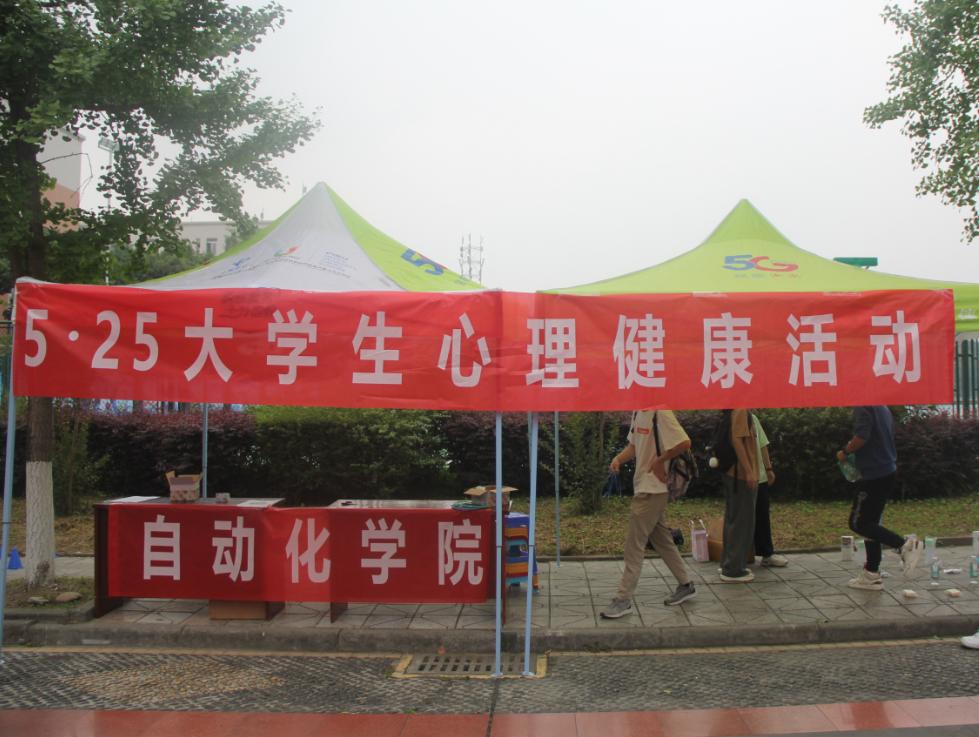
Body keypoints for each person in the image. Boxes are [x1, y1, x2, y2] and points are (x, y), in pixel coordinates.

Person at [600, 409, 696, 618]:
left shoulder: (660, 412)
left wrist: (660, 461)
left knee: (634, 545)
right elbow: (634, 446)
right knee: (663, 541)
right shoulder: (638, 412)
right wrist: (618, 459)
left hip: (653, 489)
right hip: (645, 486)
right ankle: (686, 584)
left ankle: (623, 599)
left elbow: (684, 442)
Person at [837, 405, 923, 590]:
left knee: (858, 523)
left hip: (873, 474)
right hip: (886, 470)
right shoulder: (882, 406)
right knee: (872, 524)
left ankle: (905, 546)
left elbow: (862, 437)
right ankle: (871, 574)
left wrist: (845, 452)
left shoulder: (863, 406)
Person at [719, 409, 759, 582]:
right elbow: (737, 440)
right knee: (741, 522)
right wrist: (749, 471)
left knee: (733, 519)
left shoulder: (733, 409)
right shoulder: (741, 409)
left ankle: (728, 563)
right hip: (740, 476)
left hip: (734, 474)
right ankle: (733, 569)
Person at [752, 414, 788, 568]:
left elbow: (763, 445)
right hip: (742, 479)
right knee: (742, 520)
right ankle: (740, 556)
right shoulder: (732, 419)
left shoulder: (752, 418)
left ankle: (767, 554)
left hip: (760, 477)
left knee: (762, 517)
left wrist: (768, 469)